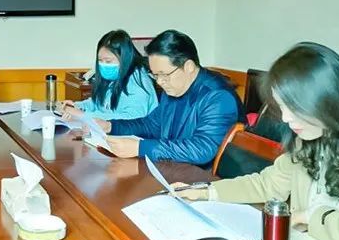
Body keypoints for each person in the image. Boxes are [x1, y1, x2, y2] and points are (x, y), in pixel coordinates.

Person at [175, 43, 339, 240]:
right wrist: (207, 192)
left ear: (328, 100)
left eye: (295, 107)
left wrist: (316, 218)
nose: (286, 118)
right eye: (282, 107)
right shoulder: (310, 138)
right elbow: (269, 184)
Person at [97, 30, 244, 167]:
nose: (160, 82)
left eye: (164, 74)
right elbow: (151, 125)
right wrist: (111, 126)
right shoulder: (174, 88)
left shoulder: (218, 97)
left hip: (206, 178)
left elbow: (202, 149)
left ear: (189, 66)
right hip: (174, 168)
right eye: (155, 75)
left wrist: (141, 148)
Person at [60, 30, 158, 121]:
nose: (103, 65)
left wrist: (83, 115)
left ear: (124, 59)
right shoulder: (114, 77)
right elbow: (98, 103)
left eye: (108, 61)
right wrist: (78, 106)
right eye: (100, 60)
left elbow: (131, 120)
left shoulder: (139, 82)